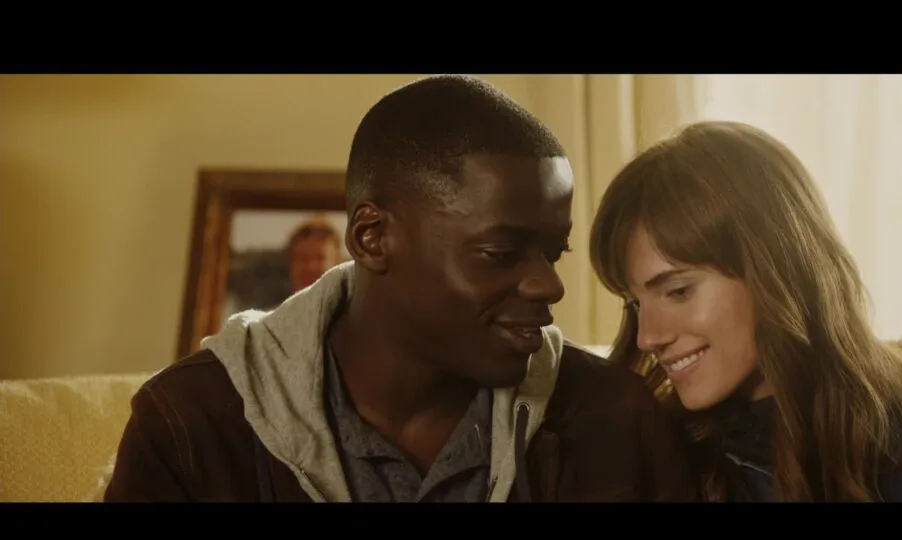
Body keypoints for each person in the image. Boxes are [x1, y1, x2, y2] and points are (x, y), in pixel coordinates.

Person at [103, 75, 692, 502]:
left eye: (553, 252)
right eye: (501, 254)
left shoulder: (614, 418)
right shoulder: (191, 424)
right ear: (373, 238)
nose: (549, 285)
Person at [588, 120, 902, 502]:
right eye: (635, 303)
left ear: (778, 267)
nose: (647, 336)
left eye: (678, 291)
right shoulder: (647, 462)